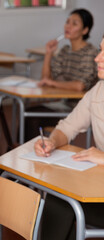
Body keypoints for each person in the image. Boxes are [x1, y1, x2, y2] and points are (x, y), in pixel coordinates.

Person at [33, 37, 104, 240]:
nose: (97, 58)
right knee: (59, 197)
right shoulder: (98, 91)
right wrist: (52, 141)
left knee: (64, 204)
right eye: (100, 50)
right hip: (99, 190)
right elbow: (68, 126)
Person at [25, 8, 99, 141]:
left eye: (74, 24)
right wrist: (49, 53)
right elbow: (46, 79)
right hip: (63, 103)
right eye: (67, 22)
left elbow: (80, 86)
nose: (68, 26)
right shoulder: (64, 51)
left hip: (79, 109)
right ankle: (23, 152)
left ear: (85, 30)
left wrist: (52, 83)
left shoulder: (91, 53)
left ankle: (30, 155)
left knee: (33, 119)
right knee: (29, 111)